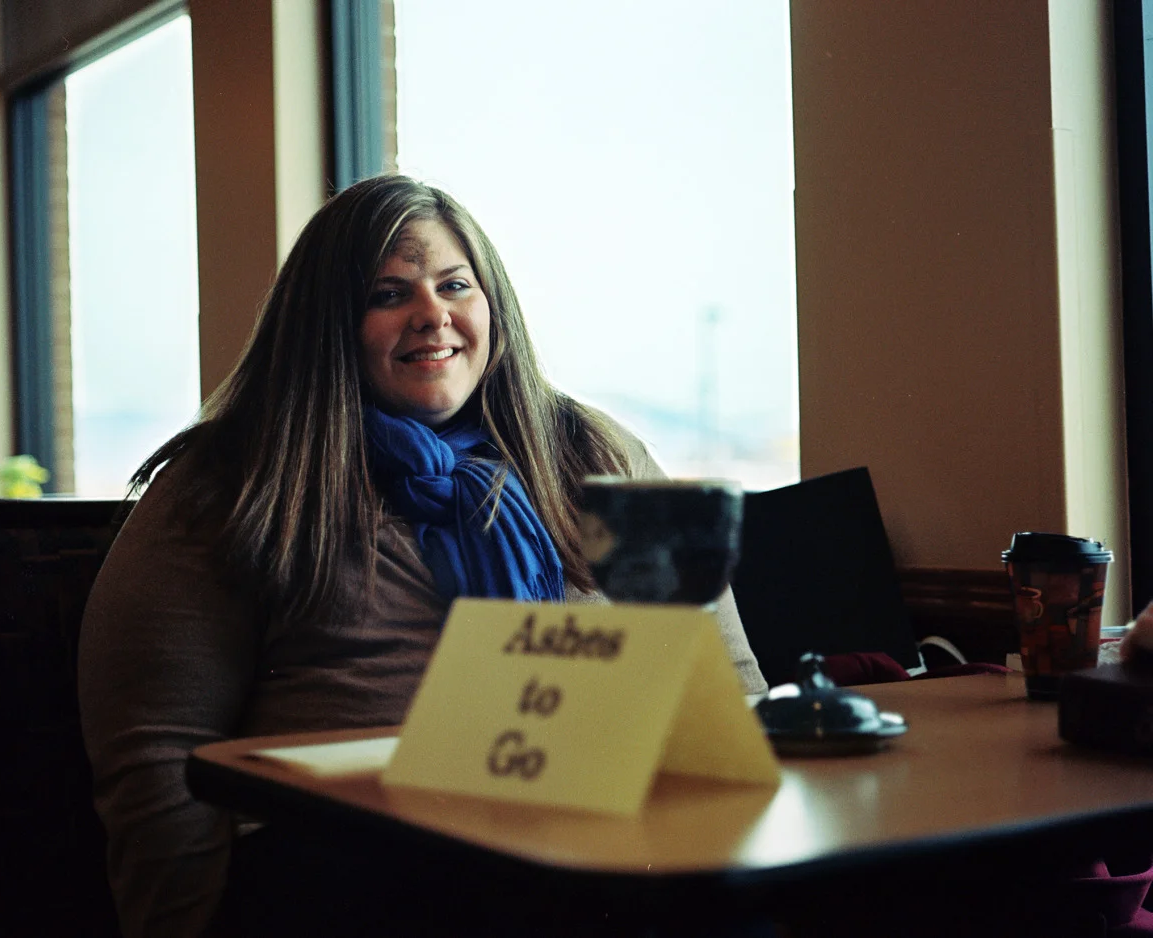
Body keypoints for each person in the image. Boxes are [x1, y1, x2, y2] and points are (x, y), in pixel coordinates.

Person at [78, 174, 768, 937]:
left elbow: (725, 681)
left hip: (594, 837)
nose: (432, 314)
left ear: (493, 309)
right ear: (328, 323)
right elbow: (156, 759)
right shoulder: (231, 482)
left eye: (454, 285)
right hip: (348, 860)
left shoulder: (594, 454)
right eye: (388, 294)